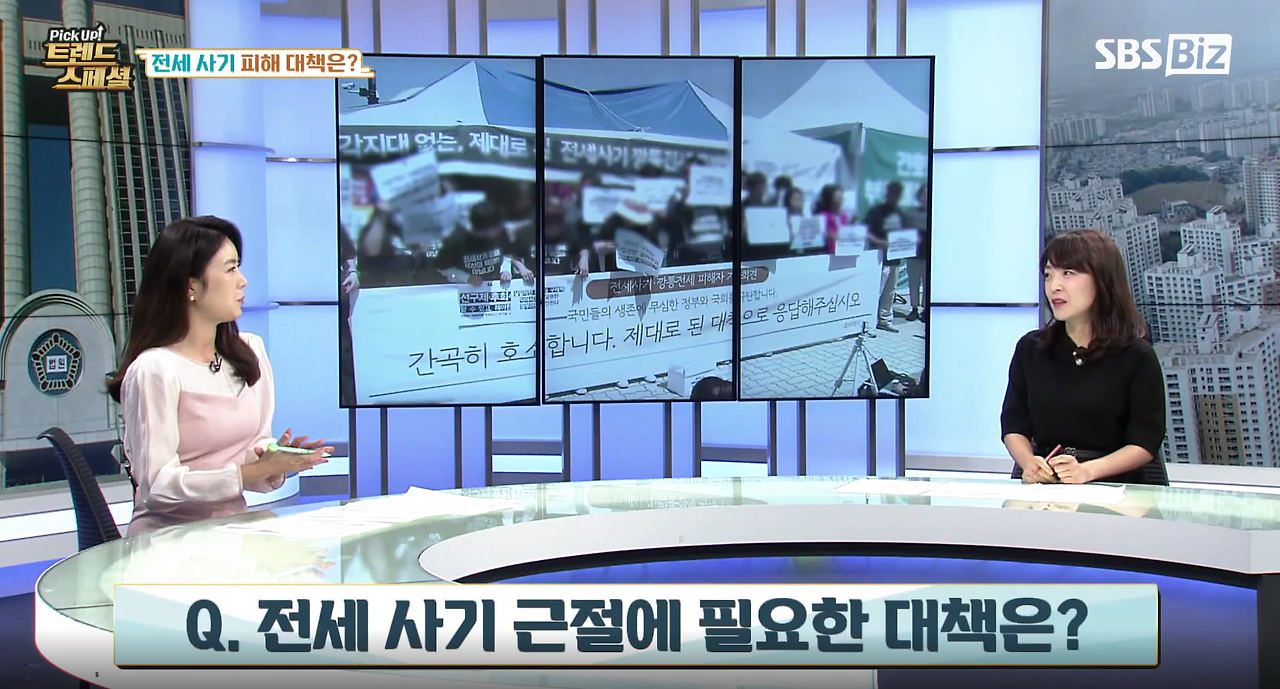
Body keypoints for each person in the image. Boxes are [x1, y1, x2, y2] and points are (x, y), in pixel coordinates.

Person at [107, 216, 333, 536]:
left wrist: (275, 462)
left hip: (232, 534)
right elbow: (157, 486)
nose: (243, 281)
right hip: (168, 541)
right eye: (230, 269)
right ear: (191, 286)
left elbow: (252, 452)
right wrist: (249, 472)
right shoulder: (155, 369)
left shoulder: (248, 352)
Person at [999, 228, 1167, 486]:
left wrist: (1087, 471)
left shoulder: (1136, 355)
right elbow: (1014, 424)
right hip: (1045, 486)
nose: (1054, 286)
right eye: (1048, 275)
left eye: (1068, 273)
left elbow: (1145, 441)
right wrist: (1029, 463)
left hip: (1116, 490)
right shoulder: (1031, 349)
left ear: (1102, 279)